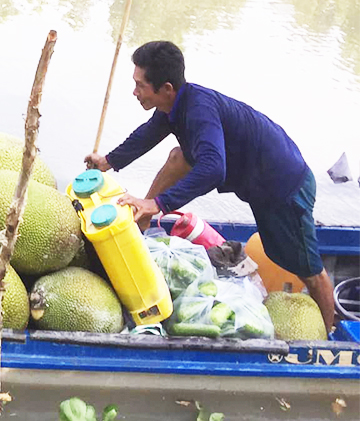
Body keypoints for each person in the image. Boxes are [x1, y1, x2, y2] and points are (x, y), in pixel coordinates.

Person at [84, 41, 336, 331]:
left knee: (308, 269)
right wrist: (108, 162)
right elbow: (147, 135)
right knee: (179, 157)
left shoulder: (199, 110)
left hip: (285, 187)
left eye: (140, 86)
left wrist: (159, 203)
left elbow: (214, 168)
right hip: (260, 183)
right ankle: (141, 221)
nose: (135, 92)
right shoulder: (174, 105)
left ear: (166, 88)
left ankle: (327, 338)